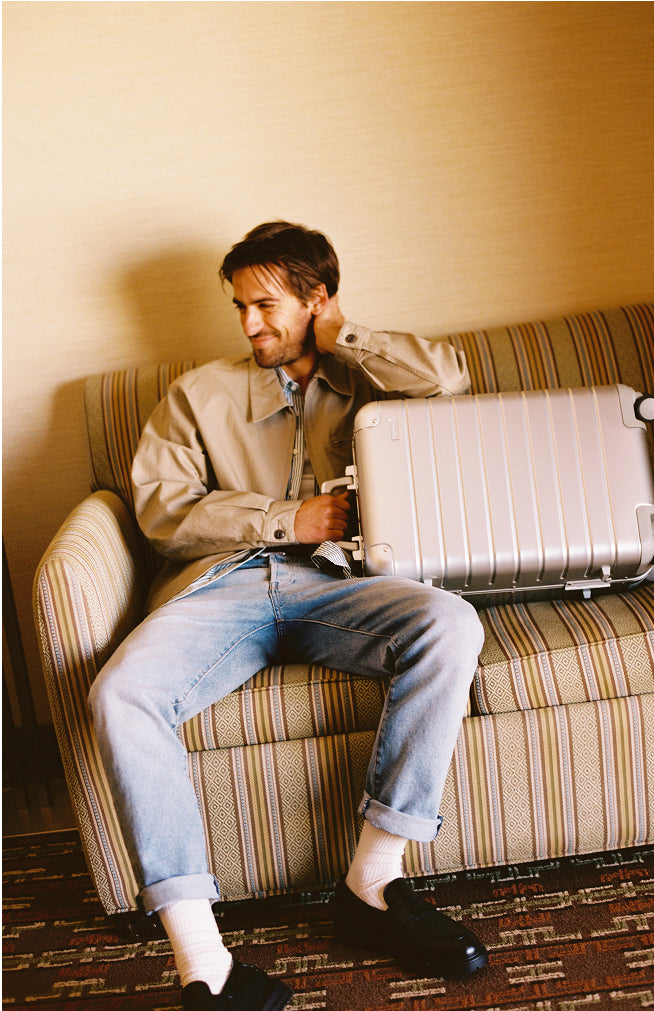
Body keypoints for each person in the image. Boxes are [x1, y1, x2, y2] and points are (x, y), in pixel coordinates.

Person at [89, 221, 488, 1011]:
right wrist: (285, 519)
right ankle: (205, 967)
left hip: (346, 587)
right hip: (222, 587)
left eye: (266, 304)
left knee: (451, 623)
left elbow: (449, 382)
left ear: (317, 299)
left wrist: (346, 337)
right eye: (239, 306)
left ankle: (372, 885)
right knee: (118, 694)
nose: (248, 324)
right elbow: (163, 513)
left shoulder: (369, 375)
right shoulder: (196, 394)